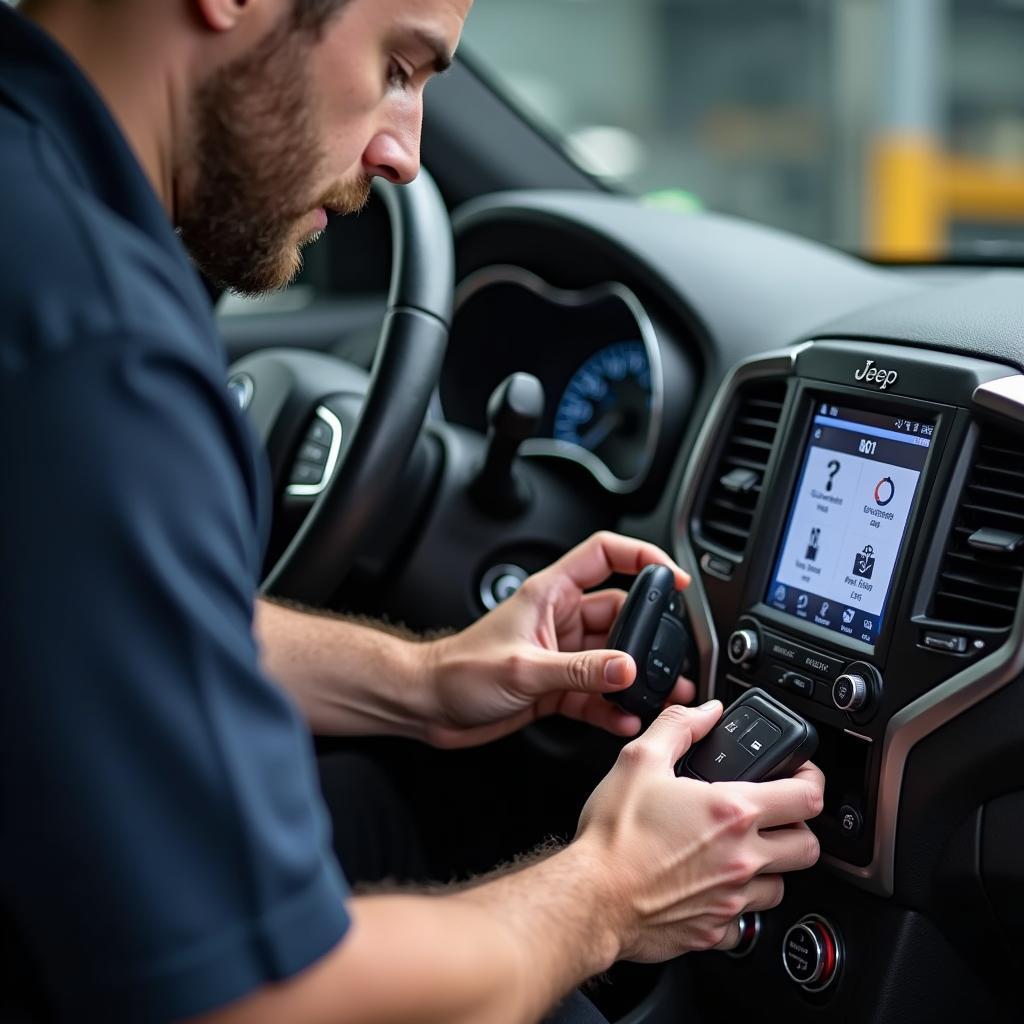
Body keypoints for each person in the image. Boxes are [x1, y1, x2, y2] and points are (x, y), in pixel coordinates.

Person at [0, 0, 825, 1021]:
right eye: (397, 68)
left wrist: (425, 681)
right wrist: (610, 891)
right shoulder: (99, 355)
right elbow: (261, 1005)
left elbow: (95, 623)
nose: (404, 154)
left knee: (390, 817)